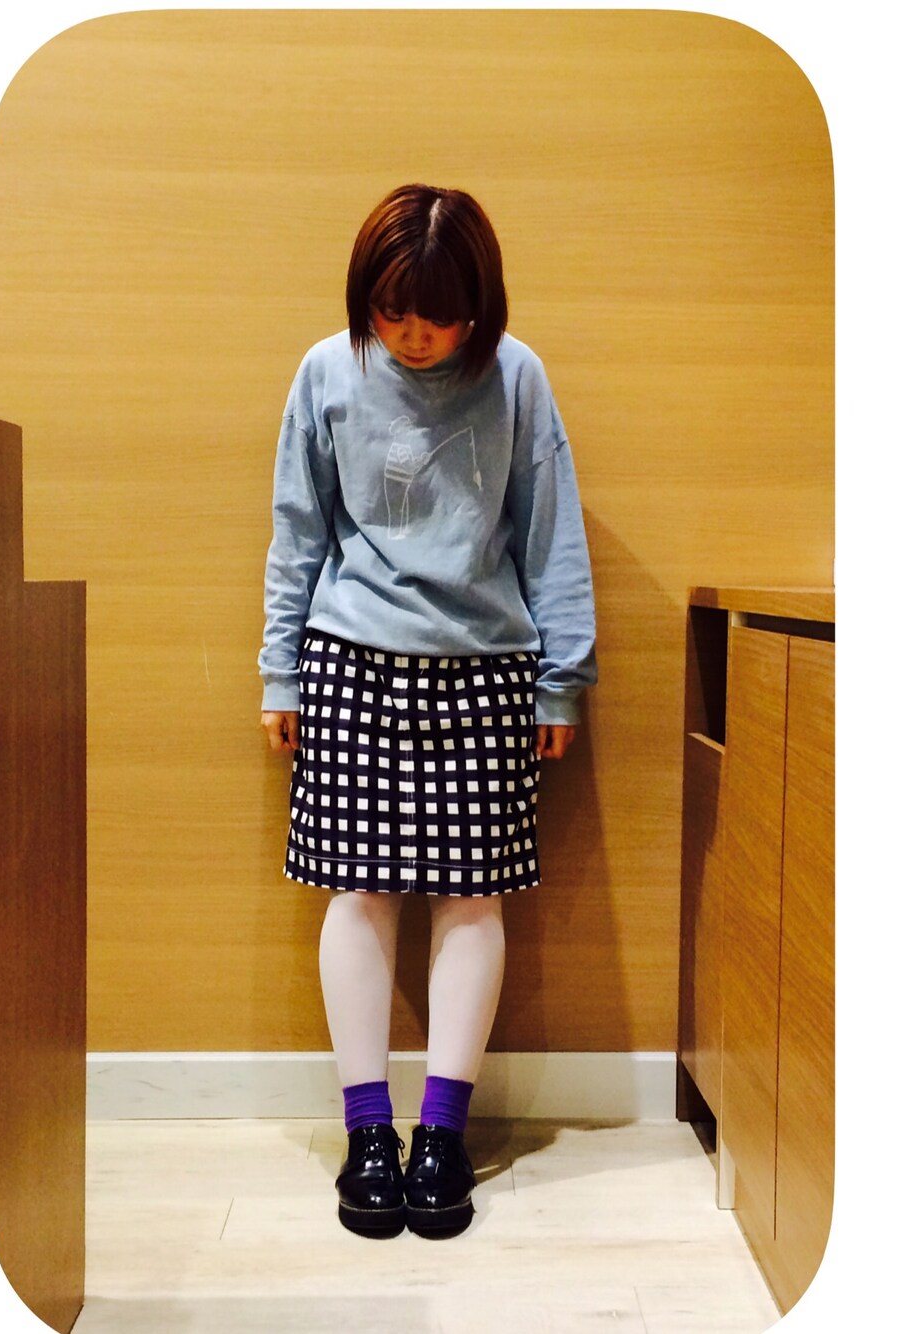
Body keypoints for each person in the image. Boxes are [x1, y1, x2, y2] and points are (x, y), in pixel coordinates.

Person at [259, 183, 596, 1238]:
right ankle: (369, 1133)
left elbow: (549, 530)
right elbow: (298, 529)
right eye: (392, 311)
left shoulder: (516, 374)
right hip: (349, 659)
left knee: (473, 898)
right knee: (358, 892)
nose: (413, 335)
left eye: (438, 316)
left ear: (478, 306)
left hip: (487, 667)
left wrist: (562, 676)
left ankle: (442, 1132)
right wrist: (279, 671)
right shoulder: (327, 370)